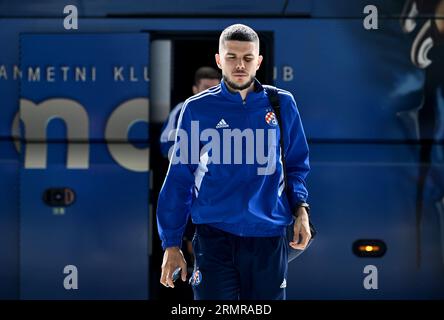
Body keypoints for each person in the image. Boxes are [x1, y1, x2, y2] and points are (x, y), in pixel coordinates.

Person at [157, 24, 311, 300]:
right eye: (231, 57)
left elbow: (297, 166)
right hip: (214, 238)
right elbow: (180, 179)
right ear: (219, 59)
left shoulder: (282, 104)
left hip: (269, 236)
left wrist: (301, 209)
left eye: (248, 58)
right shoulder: (196, 109)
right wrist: (171, 244)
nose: (240, 65)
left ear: (258, 61)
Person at [160, 67, 221, 159]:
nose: (211, 93)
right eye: (206, 88)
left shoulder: (229, 112)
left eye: (216, 89)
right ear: (195, 90)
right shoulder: (181, 110)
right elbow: (165, 145)